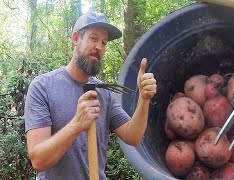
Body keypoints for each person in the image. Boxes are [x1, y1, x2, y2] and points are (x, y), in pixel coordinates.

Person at [24, 11, 157, 180]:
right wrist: (77, 125)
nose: (99, 47)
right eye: (93, 38)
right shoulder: (43, 87)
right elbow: (38, 160)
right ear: (75, 39)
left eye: (104, 42)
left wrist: (144, 99)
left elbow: (133, 136)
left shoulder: (103, 92)